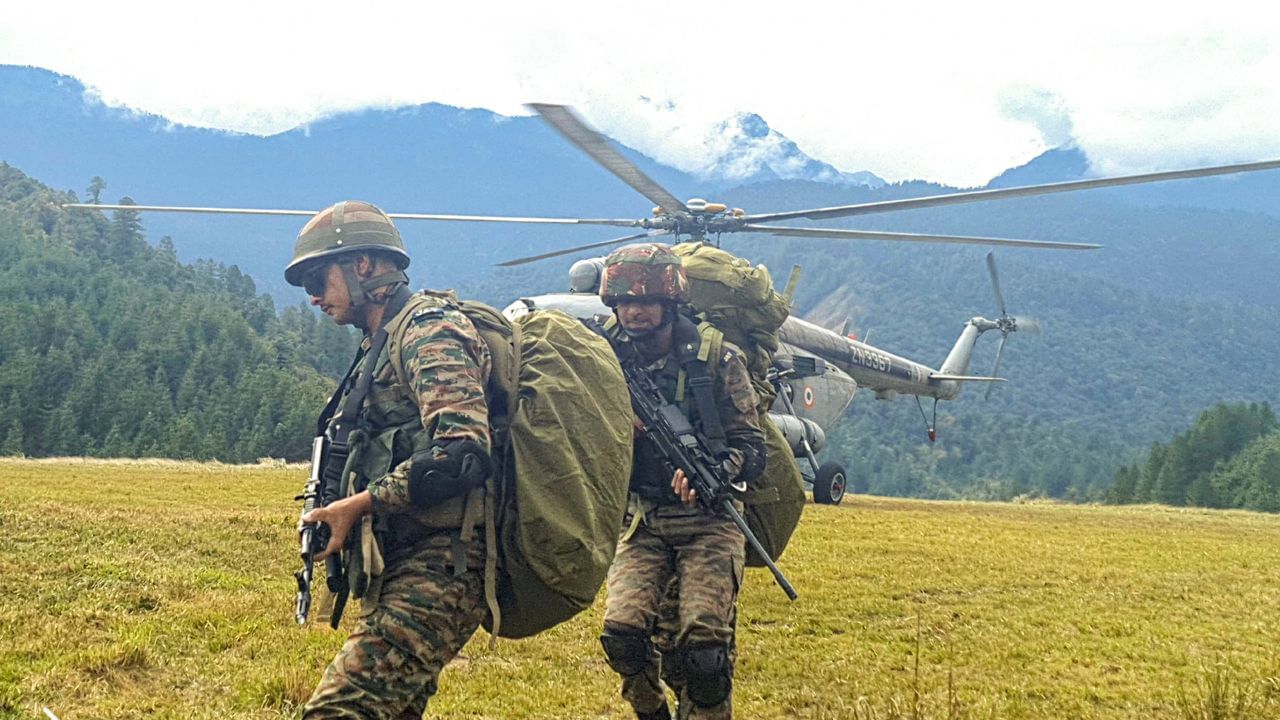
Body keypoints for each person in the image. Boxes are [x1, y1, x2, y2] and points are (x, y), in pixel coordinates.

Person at [287, 200, 494, 719]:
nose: (313, 297)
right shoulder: (380, 340)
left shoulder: (427, 329)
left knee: (339, 711)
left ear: (363, 266)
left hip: (444, 560)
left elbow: (462, 453)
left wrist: (359, 504)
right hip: (404, 557)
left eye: (318, 278)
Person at [595, 243, 766, 720]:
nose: (634, 310)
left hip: (711, 523)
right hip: (643, 521)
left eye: (646, 301)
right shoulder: (604, 356)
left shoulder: (717, 360)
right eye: (625, 301)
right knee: (622, 635)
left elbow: (753, 450)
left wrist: (716, 471)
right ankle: (651, 713)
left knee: (703, 648)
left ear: (670, 304)